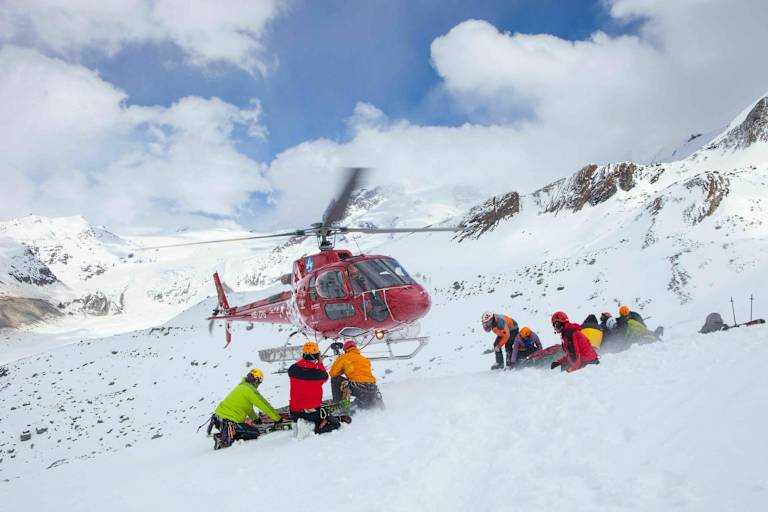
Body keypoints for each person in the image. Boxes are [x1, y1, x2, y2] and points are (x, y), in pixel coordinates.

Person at [208, 368, 282, 449]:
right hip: (228, 422)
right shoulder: (250, 390)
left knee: (246, 431)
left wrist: (255, 419)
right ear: (256, 380)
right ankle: (224, 438)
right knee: (255, 433)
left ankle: (227, 434)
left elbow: (247, 408)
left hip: (218, 420)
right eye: (259, 383)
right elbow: (265, 405)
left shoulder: (242, 386)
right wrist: (278, 419)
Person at [288, 341, 351, 436]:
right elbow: (325, 377)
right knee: (336, 424)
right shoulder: (319, 374)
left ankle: (301, 422)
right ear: (317, 355)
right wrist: (320, 363)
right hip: (311, 413)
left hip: (294, 411)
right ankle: (313, 427)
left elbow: (302, 367)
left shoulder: (292, 369)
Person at [329, 339, 383, 409]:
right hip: (372, 388)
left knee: (335, 379)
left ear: (345, 349)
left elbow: (332, 373)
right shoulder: (365, 359)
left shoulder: (344, 357)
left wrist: (342, 370)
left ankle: (338, 405)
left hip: (357, 387)